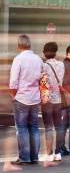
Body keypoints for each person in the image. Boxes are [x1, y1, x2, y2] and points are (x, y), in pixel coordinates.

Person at [9, 35, 43, 165]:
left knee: (22, 128)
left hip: (22, 98)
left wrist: (14, 96)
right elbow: (42, 78)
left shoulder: (18, 59)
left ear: (18, 46)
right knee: (34, 127)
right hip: (35, 98)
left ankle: (24, 157)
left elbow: (13, 82)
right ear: (30, 45)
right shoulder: (38, 59)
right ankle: (34, 157)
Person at [41, 42, 65, 162]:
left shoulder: (43, 66)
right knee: (59, 127)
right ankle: (58, 153)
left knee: (48, 127)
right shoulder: (61, 65)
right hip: (58, 100)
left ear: (45, 52)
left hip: (47, 100)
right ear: (55, 52)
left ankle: (49, 154)